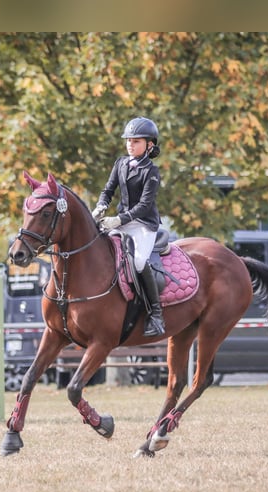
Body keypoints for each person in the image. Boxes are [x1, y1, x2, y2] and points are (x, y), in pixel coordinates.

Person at [92, 116, 165, 337]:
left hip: (143, 225)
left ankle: (156, 313)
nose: (130, 145)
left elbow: (144, 206)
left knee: (140, 262)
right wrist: (101, 206)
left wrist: (119, 220)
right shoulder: (121, 163)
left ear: (149, 145)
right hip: (122, 221)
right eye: (128, 141)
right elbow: (108, 190)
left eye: (136, 141)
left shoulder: (151, 172)